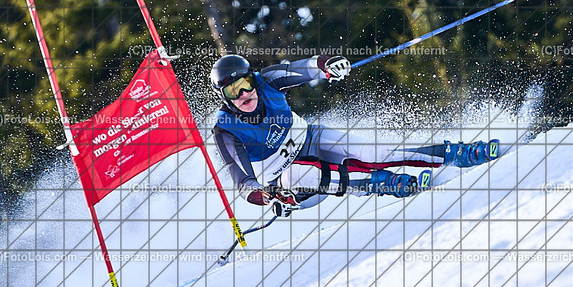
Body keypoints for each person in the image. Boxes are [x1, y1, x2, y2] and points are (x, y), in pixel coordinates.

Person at [211, 54, 499, 217]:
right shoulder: (226, 129)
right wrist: (268, 198)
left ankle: (457, 153)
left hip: (311, 140)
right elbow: (244, 184)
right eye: (233, 91)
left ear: (253, 78)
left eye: (245, 83)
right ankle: (384, 183)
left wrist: (327, 66)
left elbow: (304, 69)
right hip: (291, 185)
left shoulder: (267, 80)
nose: (244, 94)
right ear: (224, 97)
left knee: (376, 152)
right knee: (298, 173)